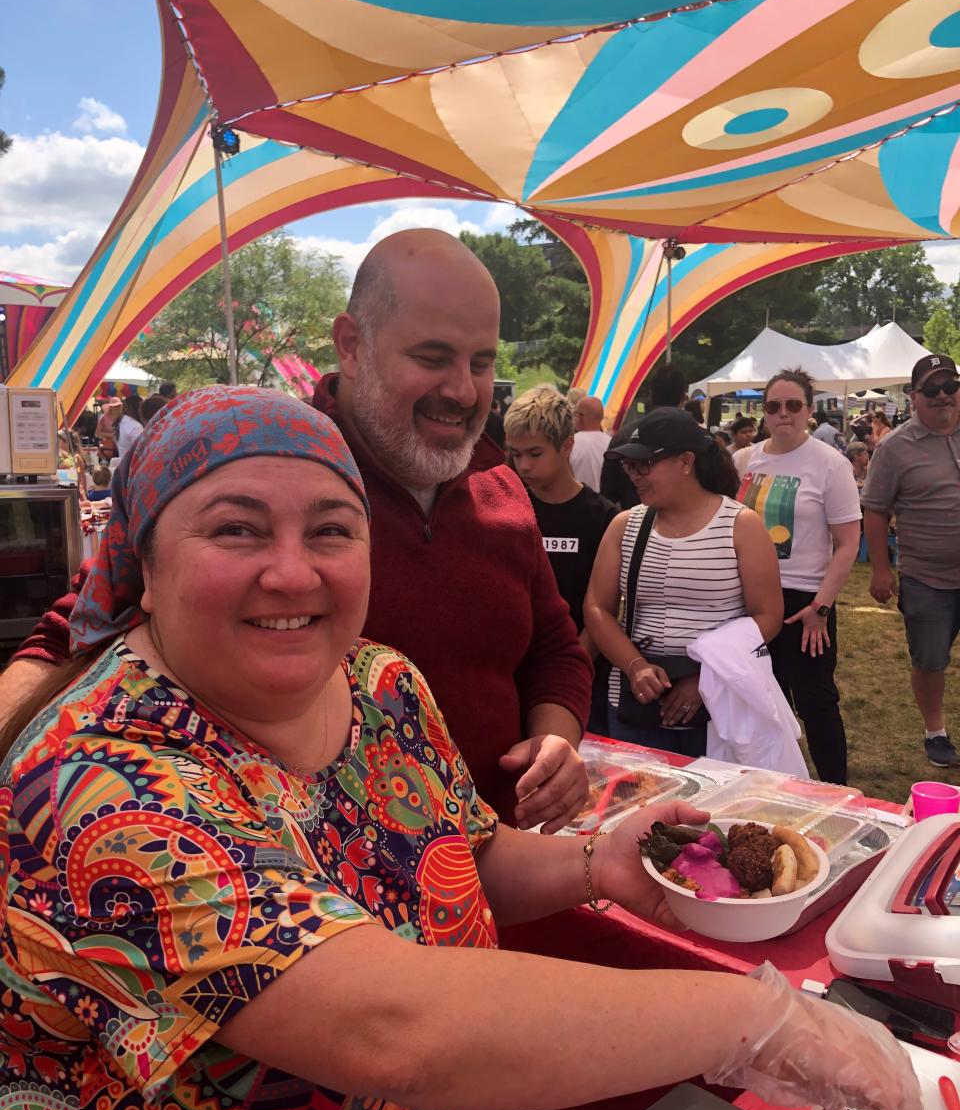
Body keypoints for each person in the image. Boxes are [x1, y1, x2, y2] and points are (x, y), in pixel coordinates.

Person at [0, 387, 931, 1110]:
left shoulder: (379, 681)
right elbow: (395, 1028)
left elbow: (459, 858)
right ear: (142, 560)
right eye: (237, 531)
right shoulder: (93, 782)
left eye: (331, 529)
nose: (293, 573)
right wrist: (770, 1023)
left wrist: (589, 862)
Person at [0, 232, 592, 833]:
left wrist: (555, 742)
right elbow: (75, 629)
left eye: (481, 362)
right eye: (433, 358)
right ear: (352, 346)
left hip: (498, 860)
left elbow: (553, 644)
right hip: (291, 875)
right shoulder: (272, 466)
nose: (463, 391)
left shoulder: (504, 486)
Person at [585, 408, 783, 757]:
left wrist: (705, 680)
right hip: (636, 708)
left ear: (686, 461)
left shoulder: (741, 526)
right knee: (640, 805)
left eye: (643, 465)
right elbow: (597, 607)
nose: (634, 476)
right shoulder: (624, 525)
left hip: (720, 710)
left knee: (714, 810)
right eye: (628, 466)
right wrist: (636, 667)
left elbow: (766, 615)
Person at [735, 368, 862, 784]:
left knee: (816, 703)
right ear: (764, 412)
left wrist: (820, 607)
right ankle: (772, 786)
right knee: (762, 703)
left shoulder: (831, 464)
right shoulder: (743, 460)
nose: (784, 414)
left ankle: (835, 791)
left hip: (806, 601)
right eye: (774, 406)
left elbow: (847, 544)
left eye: (794, 405)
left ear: (809, 410)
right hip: (748, 601)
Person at [861, 353, 960, 768]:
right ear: (914, 397)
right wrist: (881, 569)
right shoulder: (895, 447)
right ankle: (934, 731)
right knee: (930, 659)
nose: (943, 397)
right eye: (932, 390)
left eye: (950, 387)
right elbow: (875, 509)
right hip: (927, 578)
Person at [504, 386, 618, 733]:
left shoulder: (604, 517)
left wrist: (573, 667)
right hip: (514, 672)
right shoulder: (505, 509)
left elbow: (604, 607)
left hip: (582, 674)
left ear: (567, 446)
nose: (523, 465)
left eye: (535, 453)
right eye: (515, 454)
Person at [600, 363, 689, 508]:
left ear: (651, 393)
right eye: (631, 466)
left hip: (633, 523)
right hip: (689, 524)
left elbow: (608, 493)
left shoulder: (623, 436)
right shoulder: (698, 439)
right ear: (682, 398)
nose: (637, 475)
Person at [569, 394, 611, 492]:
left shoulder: (570, 444)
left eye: (575, 414)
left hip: (575, 503)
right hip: (605, 504)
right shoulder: (612, 443)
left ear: (580, 416)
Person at [117, 394, 144, 459]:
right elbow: (140, 450)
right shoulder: (136, 426)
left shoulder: (123, 421)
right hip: (131, 465)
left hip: (123, 462)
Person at [94, 396, 121, 461]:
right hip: (107, 448)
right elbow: (97, 434)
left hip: (119, 447)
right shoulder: (104, 417)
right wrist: (111, 435)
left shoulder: (122, 417)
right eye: (115, 406)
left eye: (118, 406)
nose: (116, 408)